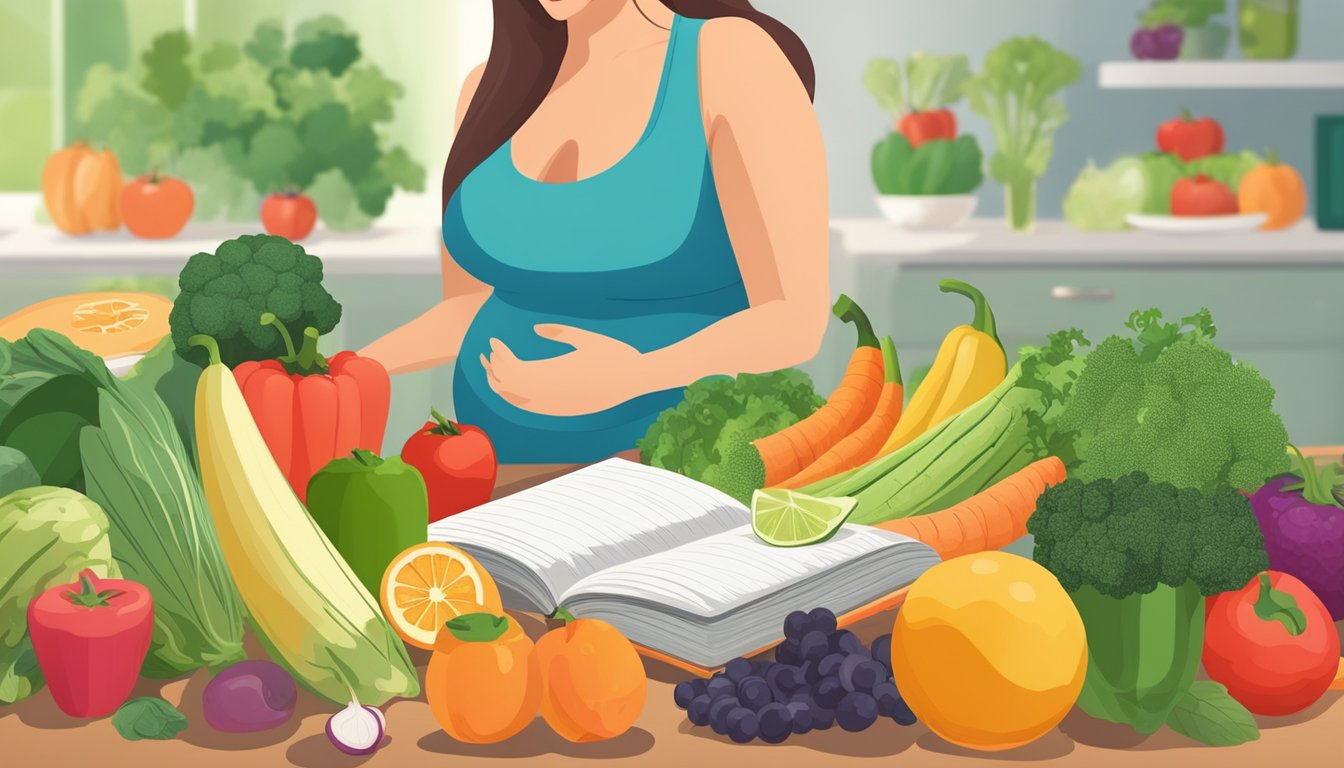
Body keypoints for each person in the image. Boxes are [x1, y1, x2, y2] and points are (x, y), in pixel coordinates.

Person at [361, 0, 829, 464]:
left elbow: (794, 318)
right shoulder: (488, 90)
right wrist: (346, 371)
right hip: (486, 470)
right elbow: (466, 306)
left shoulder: (729, 57)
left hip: (674, 469)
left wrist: (635, 375)